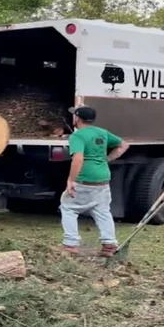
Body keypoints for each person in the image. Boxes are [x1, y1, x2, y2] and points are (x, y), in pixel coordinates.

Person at [60, 106, 129, 257]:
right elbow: (123, 145)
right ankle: (109, 244)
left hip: (85, 178)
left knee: (68, 208)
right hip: (103, 178)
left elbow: (78, 159)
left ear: (77, 118)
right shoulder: (102, 132)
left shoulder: (77, 136)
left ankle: (70, 244)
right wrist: (107, 159)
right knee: (102, 211)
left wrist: (71, 180)